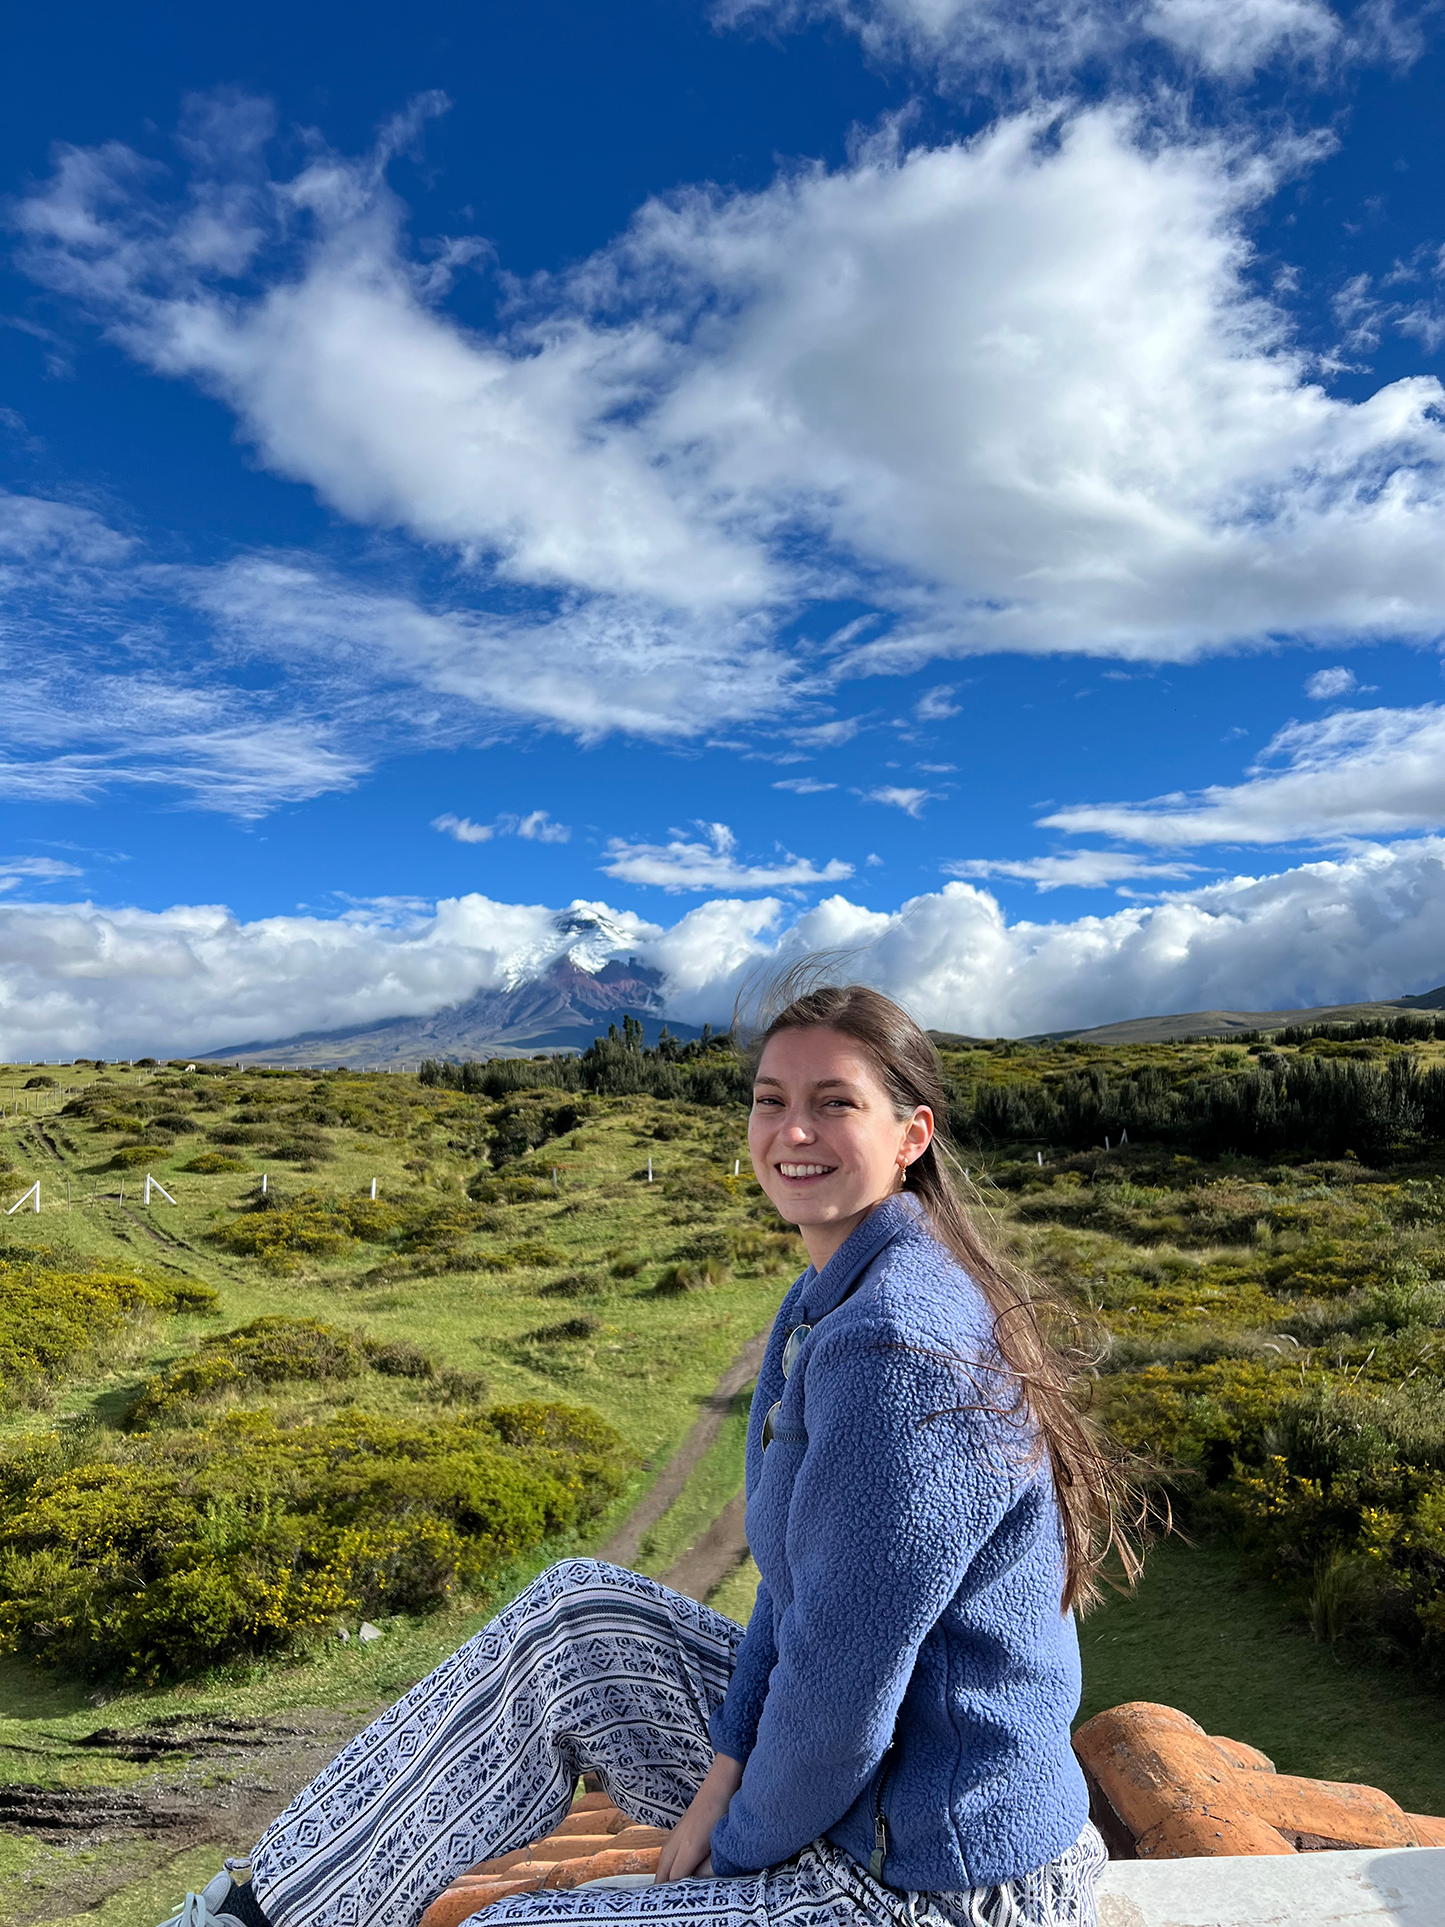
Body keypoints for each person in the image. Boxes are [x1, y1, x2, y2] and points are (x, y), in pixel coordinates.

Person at [167, 980, 1135, 1927]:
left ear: (909, 1136)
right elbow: (795, 1604)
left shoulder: (897, 1346)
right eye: (771, 1101)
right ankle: (261, 1910)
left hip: (934, 1879)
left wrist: (733, 1851)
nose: (791, 1131)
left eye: (832, 1103)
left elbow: (838, 1706)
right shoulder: (828, 1295)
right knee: (573, 1619)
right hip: (875, 1791)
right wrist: (720, 1775)